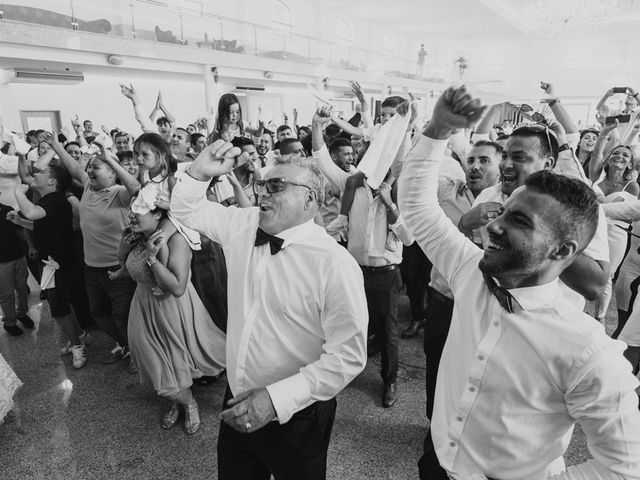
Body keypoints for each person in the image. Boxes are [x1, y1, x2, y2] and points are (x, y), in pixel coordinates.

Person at [399, 84, 640, 480]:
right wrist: (438, 128)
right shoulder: (470, 270)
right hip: (437, 463)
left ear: (563, 252)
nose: (493, 224)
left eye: (519, 221)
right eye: (505, 212)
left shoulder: (586, 349)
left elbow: (624, 468)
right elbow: (418, 208)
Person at [171, 140, 367, 479]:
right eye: (262, 184)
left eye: (276, 186)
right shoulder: (244, 225)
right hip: (237, 398)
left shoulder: (335, 264)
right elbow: (187, 211)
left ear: (310, 198)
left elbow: (347, 356)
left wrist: (275, 400)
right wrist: (200, 171)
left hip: (298, 412)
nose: (262, 193)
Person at [312, 108, 413, 408]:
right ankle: (347, 370)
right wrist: (317, 126)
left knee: (389, 330)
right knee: (353, 324)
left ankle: (390, 380)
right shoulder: (350, 185)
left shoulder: (398, 190)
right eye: (369, 155)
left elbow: (408, 238)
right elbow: (321, 158)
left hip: (386, 274)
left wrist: (390, 205)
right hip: (355, 272)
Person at [110, 187, 225, 435]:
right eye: (131, 209)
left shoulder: (176, 240)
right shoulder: (138, 236)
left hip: (170, 308)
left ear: (156, 215)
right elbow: (124, 263)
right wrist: (123, 243)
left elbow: (177, 287)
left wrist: (152, 258)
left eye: (138, 211)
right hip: (143, 306)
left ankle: (188, 402)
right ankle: (177, 399)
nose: (131, 214)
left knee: (172, 362)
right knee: (154, 363)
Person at [50, 132, 138, 368]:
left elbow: (135, 186)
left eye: (96, 167)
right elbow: (72, 167)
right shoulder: (88, 187)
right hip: (92, 268)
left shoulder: (119, 194)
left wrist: (109, 159)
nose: (89, 170)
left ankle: (139, 356)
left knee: (123, 316)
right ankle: (125, 345)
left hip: (118, 268)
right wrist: (56, 145)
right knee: (98, 314)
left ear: (111, 171)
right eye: (90, 166)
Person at [13, 165, 87, 368]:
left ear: (53, 182)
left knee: (59, 308)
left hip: (58, 263)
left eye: (42, 173)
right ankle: (78, 335)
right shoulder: (49, 202)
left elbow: (31, 211)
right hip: (52, 263)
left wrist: (18, 192)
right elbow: (40, 225)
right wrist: (20, 220)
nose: (36, 174)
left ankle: (78, 345)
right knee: (61, 304)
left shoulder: (55, 200)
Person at [589, 135, 639, 322]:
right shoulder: (596, 179)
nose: (620, 156)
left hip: (616, 233)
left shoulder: (632, 186)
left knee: (606, 275)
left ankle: (599, 317)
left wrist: (599, 203)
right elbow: (595, 155)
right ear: (608, 159)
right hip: (591, 227)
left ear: (630, 164)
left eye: (626, 155)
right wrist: (605, 134)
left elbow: (624, 210)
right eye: (616, 153)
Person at [0, 201, 33, 336]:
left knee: (22, 288)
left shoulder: (7, 210)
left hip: (18, 257)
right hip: (1, 263)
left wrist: (30, 246)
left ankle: (21, 313)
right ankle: (9, 322)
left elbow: (20, 229)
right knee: (6, 294)